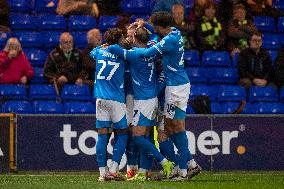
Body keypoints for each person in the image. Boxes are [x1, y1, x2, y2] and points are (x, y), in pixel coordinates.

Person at [108, 25, 174, 181]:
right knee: (144, 136)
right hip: (150, 99)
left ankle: (165, 163)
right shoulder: (151, 48)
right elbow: (154, 38)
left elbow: (114, 49)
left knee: (138, 137)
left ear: (136, 38)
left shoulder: (134, 54)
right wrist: (144, 24)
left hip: (144, 101)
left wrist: (108, 44)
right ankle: (144, 172)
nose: (128, 39)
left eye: (131, 36)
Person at [141, 11, 201, 180]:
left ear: (160, 26)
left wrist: (125, 52)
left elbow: (147, 53)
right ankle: (189, 165)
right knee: (169, 128)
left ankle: (183, 171)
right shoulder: (174, 31)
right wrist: (144, 24)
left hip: (176, 88)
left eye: (155, 26)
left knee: (177, 128)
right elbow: (155, 31)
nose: (155, 28)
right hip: (176, 85)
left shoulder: (169, 40)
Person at [90, 28, 129, 181]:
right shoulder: (122, 54)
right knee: (123, 134)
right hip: (116, 100)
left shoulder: (100, 51)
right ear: (119, 39)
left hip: (100, 99)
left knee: (102, 136)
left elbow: (92, 52)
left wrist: (103, 45)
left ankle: (102, 174)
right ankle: (113, 170)